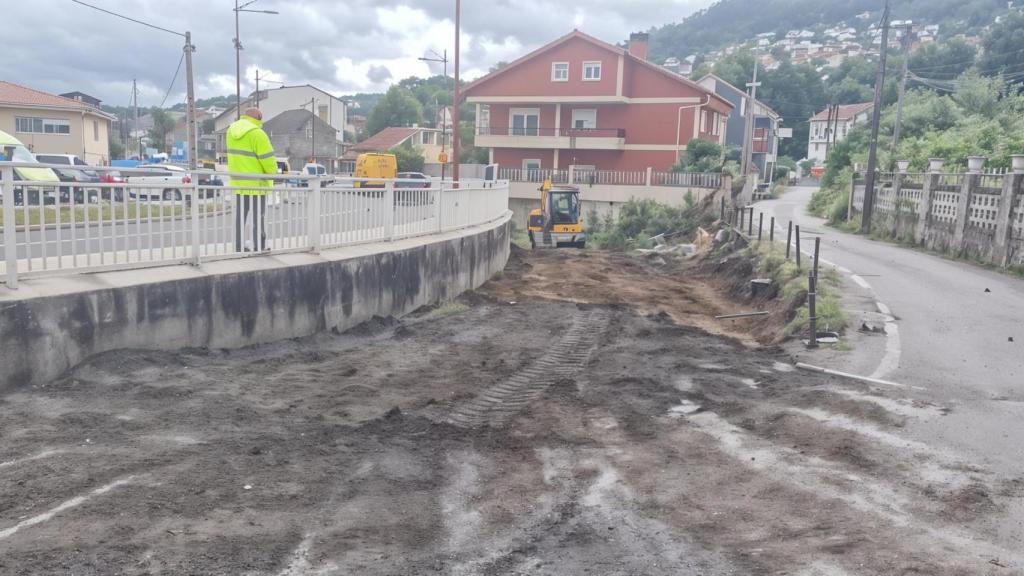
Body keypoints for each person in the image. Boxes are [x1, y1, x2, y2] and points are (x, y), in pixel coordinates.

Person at [226, 107, 277, 252]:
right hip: (256, 184)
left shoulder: (231, 131)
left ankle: (238, 246)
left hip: (238, 183)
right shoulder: (257, 133)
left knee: (240, 217)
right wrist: (273, 174)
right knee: (258, 217)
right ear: (259, 117)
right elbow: (268, 160)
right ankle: (259, 246)